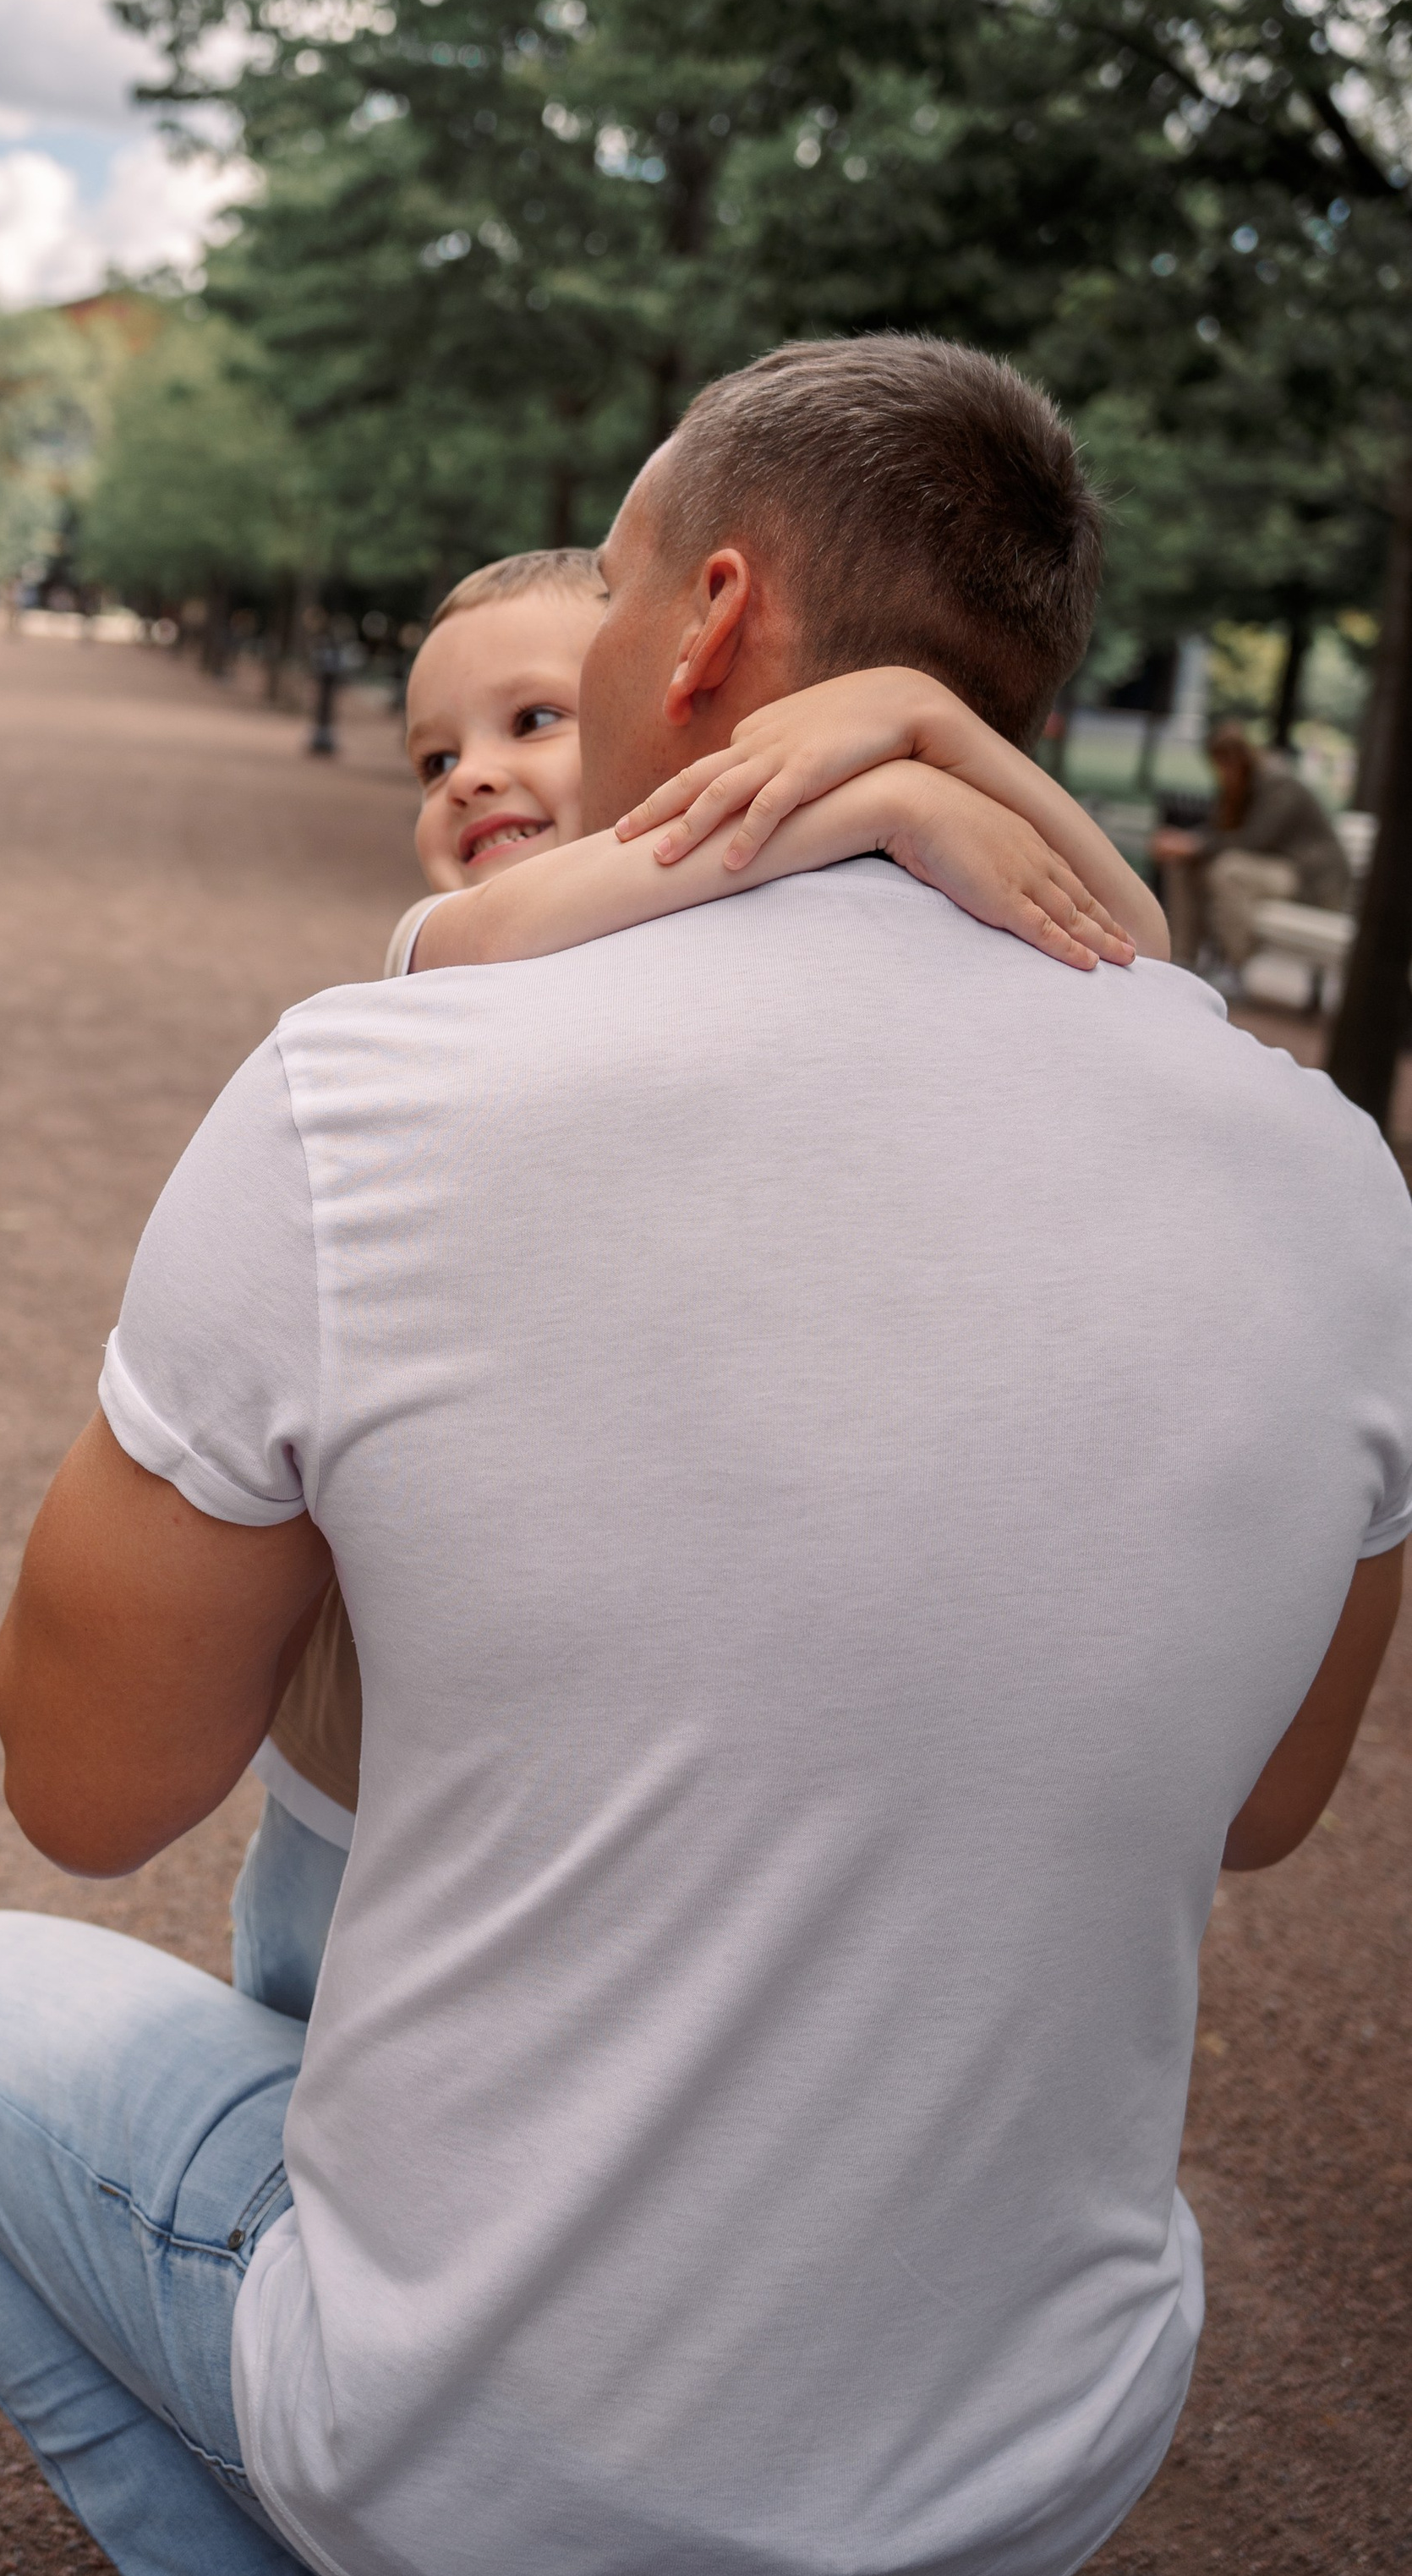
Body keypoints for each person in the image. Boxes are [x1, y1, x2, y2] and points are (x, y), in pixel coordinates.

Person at [0, 337, 1412, 2576]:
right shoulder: (1337, 1192)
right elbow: (1262, 1805)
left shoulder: (385, 1092)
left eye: (585, 649)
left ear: (699, 624)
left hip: (491, 2478)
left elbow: (85, 1784)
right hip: (1028, 2465)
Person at [236, 545, 1166, 2023]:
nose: (470, 777)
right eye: (436, 755)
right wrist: (895, 794)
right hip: (362, 1797)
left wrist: (929, 722)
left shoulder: (765, 987)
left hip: (579, 1790)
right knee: (307, 2094)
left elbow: (1133, 937)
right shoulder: (450, 960)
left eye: (533, 721)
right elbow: (527, 918)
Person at [1153, 720, 1352, 979]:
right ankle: (1182, 959)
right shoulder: (1237, 787)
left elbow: (1254, 840)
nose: (1221, 773)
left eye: (1225, 764)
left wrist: (1193, 845)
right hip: (1271, 868)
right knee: (1182, 864)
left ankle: (1236, 968)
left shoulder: (1279, 784)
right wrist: (1184, 843)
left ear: (1240, 758)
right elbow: (1218, 831)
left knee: (1229, 872)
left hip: (1309, 879)